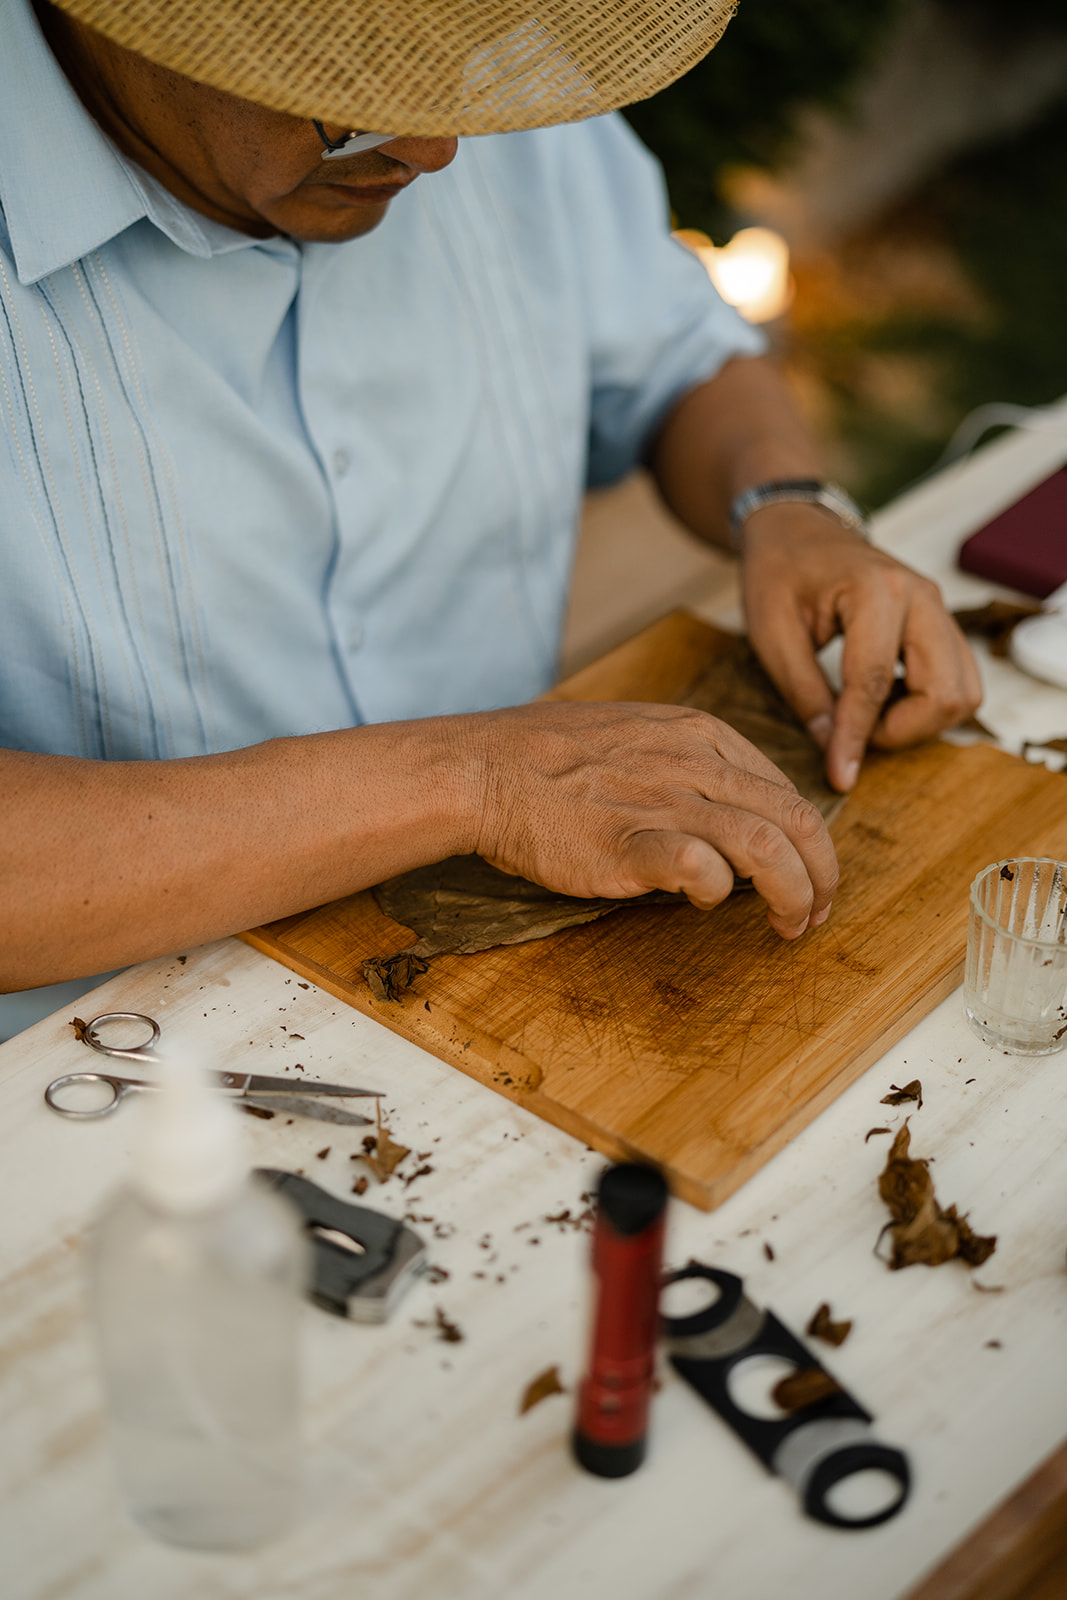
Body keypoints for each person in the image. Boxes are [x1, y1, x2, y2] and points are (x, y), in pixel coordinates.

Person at [0, 0, 981, 1015]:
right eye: (347, 101)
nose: (434, 146)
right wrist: (472, 782)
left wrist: (785, 508)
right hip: (103, 1073)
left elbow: (680, 356)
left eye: (457, 74)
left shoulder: (479, 68)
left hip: (515, 977)